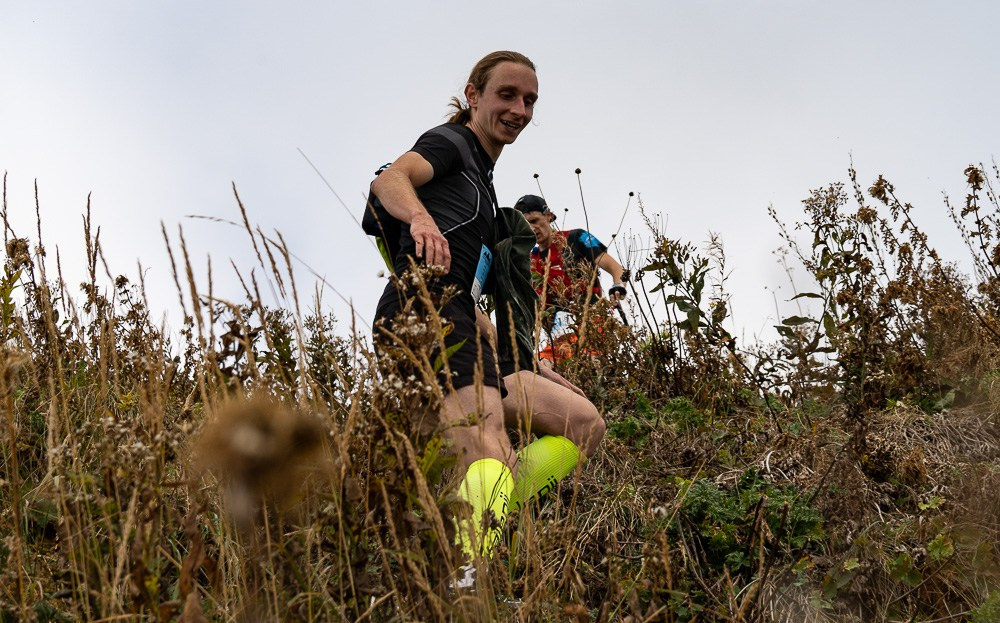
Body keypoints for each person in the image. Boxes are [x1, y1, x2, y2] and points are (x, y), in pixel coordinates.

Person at [369, 51, 605, 585]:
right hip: (423, 308)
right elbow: (390, 179)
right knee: (488, 446)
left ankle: (479, 507)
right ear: (473, 95)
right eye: (507, 95)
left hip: (460, 315)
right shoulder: (451, 143)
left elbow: (469, 290)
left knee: (584, 425)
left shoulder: (482, 178)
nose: (520, 109)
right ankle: (465, 580)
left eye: (530, 101)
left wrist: (523, 358)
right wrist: (420, 217)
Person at [514, 194, 628, 359]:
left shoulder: (576, 238)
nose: (531, 228)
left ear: (548, 215)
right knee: (537, 368)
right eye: (525, 225)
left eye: (534, 221)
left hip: (592, 324)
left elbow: (616, 268)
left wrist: (618, 286)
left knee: (587, 363)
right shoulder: (531, 260)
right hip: (559, 335)